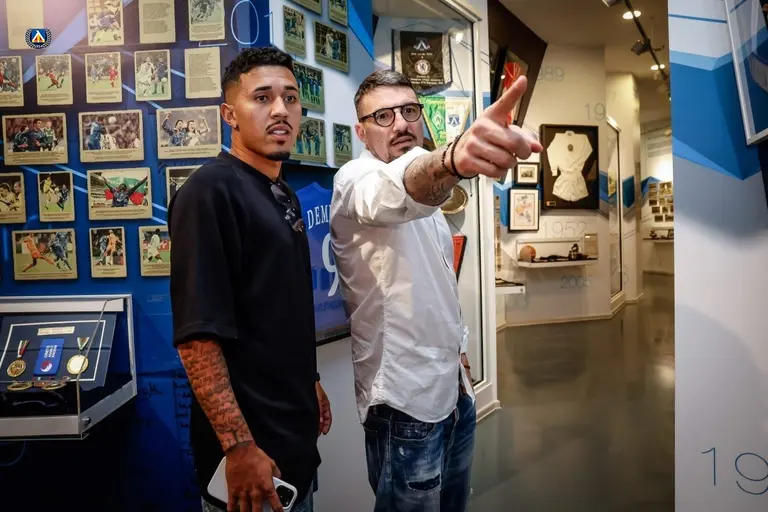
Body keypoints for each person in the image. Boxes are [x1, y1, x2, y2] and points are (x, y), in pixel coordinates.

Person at [329, 70, 542, 512]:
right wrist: (453, 159)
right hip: (404, 404)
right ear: (361, 132)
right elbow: (391, 190)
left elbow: (437, 284)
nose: (401, 124)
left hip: (453, 391)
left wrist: (459, 353)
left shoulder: (431, 201)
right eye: (382, 116)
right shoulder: (356, 179)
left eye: (409, 111)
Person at [169, 47, 331, 512]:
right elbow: (197, 339)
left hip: (294, 445)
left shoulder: (282, 192)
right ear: (229, 115)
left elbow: (274, 309)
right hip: (252, 465)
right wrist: (238, 447)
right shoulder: (209, 192)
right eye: (262, 98)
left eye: (291, 98)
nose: (281, 110)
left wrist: (309, 380)